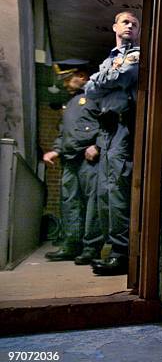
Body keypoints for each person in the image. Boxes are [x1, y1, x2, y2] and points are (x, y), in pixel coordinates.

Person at [84, 11, 140, 276]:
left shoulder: (136, 54)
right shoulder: (110, 58)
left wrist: (101, 79)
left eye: (134, 23)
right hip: (107, 129)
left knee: (117, 188)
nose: (130, 26)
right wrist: (102, 80)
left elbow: (124, 77)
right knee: (105, 191)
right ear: (115, 26)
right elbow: (89, 90)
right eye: (125, 22)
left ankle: (122, 253)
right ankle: (113, 249)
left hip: (123, 126)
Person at [44, 68, 102, 265]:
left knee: (91, 204)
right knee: (69, 202)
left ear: (81, 77)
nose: (65, 83)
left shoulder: (96, 96)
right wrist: (56, 150)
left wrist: (98, 145)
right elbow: (63, 132)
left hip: (89, 158)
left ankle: (91, 248)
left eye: (68, 79)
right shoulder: (69, 104)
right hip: (70, 159)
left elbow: (109, 123)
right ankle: (71, 245)